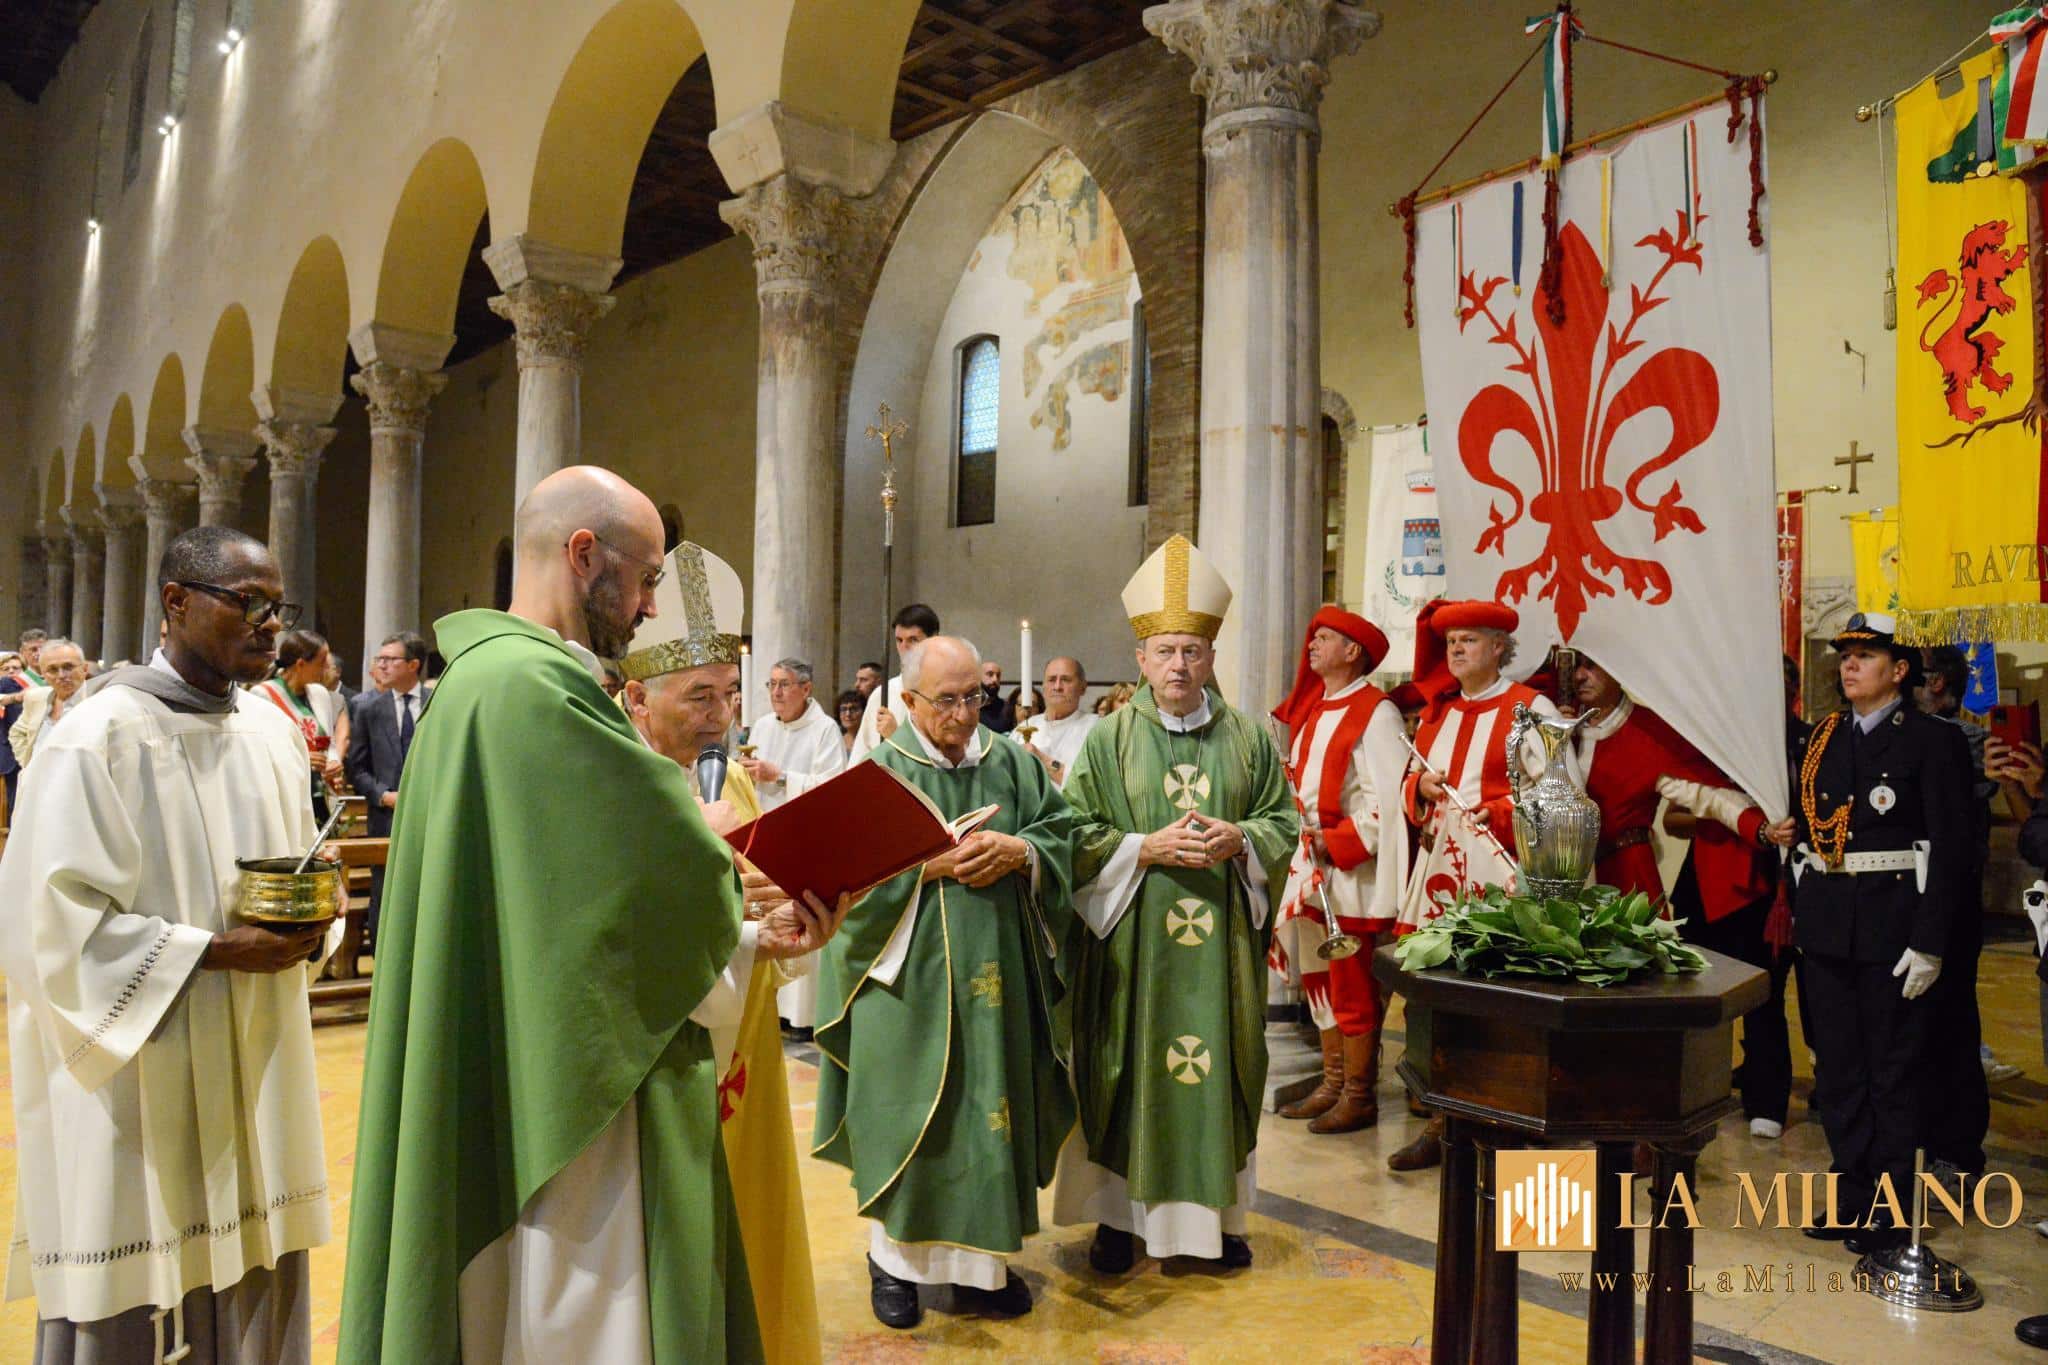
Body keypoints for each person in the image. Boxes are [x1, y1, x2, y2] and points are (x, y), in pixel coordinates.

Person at [340, 467, 836, 1362]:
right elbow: (651, 888)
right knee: (577, 1309)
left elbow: (567, 897)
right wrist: (751, 910)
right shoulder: (540, 691)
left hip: (516, 1047)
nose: (650, 607)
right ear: (582, 556)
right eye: (645, 579)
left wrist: (757, 933)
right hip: (572, 1098)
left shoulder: (476, 681)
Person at [0, 525, 340, 1364]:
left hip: (256, 1060)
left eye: (277, 607)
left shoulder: (269, 731)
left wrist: (312, 918)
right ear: (175, 602)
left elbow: (298, 867)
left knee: (258, 1261)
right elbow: (50, 926)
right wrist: (217, 950)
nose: (269, 625)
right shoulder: (97, 735)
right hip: (139, 1074)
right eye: (247, 603)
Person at [619, 541, 842, 1365]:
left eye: (732, 695)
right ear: (638, 695)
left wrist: (793, 937)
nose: (721, 716)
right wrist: (740, 928)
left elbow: (769, 928)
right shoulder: (615, 788)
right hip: (660, 1064)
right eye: (699, 696)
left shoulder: (737, 787)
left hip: (743, 1051)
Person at [815, 634, 1077, 1328]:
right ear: (907, 702)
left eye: (974, 697)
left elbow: (1066, 830)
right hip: (910, 985)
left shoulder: (1013, 763)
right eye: (948, 700)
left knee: (990, 1113)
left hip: (997, 980)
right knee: (913, 1117)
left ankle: (983, 1269)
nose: (964, 714)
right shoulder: (877, 774)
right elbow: (837, 888)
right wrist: (924, 866)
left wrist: (1022, 850)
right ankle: (894, 1264)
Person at [1054, 535, 1297, 1274]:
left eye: (1192, 651)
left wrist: (1244, 837)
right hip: (1133, 953)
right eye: (1165, 651)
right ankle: (1116, 1222)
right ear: (1139, 659)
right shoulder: (1106, 741)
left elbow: (1282, 822)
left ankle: (1210, 1222)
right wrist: (1142, 850)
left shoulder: (1250, 740)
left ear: (1211, 656)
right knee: (1124, 1068)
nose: (1179, 666)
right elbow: (1074, 833)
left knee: (1216, 1070)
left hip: (1219, 954)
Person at [1790, 613, 1971, 1255]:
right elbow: (1817, 827)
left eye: (1865, 654)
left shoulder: (1930, 740)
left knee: (1891, 1072)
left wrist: (1931, 941)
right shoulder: (1825, 738)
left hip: (1895, 925)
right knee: (1839, 1071)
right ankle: (1851, 1198)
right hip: (1831, 920)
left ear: (1899, 671)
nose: (1849, 664)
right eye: (1845, 654)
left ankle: (1892, 1212)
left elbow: (1951, 848)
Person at [1388, 599, 1555, 1172]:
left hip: (1505, 877)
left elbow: (1561, 794)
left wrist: (1502, 812)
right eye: (1451, 641)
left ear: (1500, 648)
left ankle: (1508, 1121)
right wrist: (1422, 790)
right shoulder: (1439, 715)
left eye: (1471, 640)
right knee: (1437, 994)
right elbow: (1409, 790)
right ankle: (1445, 1120)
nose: (1456, 650)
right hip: (1441, 876)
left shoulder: (1532, 709)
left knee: (1502, 1001)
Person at [1270, 607, 1408, 1135]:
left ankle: (1359, 1094)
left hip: (1351, 875)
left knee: (1351, 987)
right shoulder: (1315, 709)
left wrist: (1337, 842)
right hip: (1312, 871)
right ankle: (1332, 1082)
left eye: (1323, 638)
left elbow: (1386, 803)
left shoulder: (1377, 712)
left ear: (1354, 651)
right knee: (1318, 979)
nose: (1311, 644)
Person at [1913, 644, 1997, 1181]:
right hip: (1907, 899)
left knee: (1952, 1027)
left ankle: (1957, 1151)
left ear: (1937, 682)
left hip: (1952, 898)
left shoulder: (1967, 741)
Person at [741, 655, 848, 1034]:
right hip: (765, 833)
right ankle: (768, 1000)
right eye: (771, 684)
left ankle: (801, 1017)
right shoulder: (763, 728)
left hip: (805, 838)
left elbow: (835, 790)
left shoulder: (824, 729)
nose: (776, 692)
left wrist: (783, 776)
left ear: (806, 689)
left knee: (798, 916)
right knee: (764, 914)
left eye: (784, 684)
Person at [344, 631, 427, 948]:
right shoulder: (368, 709)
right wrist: (383, 795)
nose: (382, 666)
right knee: (384, 896)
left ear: (413, 664)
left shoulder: (437, 702)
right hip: (386, 817)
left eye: (390, 659)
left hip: (429, 814)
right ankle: (381, 976)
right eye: (380, 659)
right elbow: (357, 767)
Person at [251, 629, 348, 822]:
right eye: (322, 664)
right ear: (301, 664)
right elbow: (260, 753)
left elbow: (328, 745)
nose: (327, 670)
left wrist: (333, 762)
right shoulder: (262, 695)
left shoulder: (320, 694)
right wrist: (302, 758)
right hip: (286, 796)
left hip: (320, 794)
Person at [849, 605, 940, 762]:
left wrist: (896, 737)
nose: (904, 648)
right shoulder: (883, 693)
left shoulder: (945, 693)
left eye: (913, 640)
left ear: (934, 639)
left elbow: (944, 760)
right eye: (899, 640)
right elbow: (860, 757)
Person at [1014, 656, 1098, 786]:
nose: (1057, 686)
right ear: (1043, 687)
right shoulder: (1025, 727)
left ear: (1083, 687)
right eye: (1052, 680)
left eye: (1066, 680)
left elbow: (1094, 784)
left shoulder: (1097, 728)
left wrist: (1042, 760)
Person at [7, 637, 88, 770]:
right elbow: (17, 733)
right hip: (37, 783)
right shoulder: (36, 698)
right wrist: (28, 764)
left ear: (84, 669)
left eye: (68, 667)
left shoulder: (97, 701)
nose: (61, 675)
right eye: (52, 670)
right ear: (43, 674)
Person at [978, 659, 1016, 734]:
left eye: (998, 676)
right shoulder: (970, 706)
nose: (995, 679)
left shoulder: (1007, 708)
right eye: (990, 674)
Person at [835, 688, 864, 756]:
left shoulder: (871, 740)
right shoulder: (835, 742)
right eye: (844, 709)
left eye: (853, 709)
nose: (848, 714)